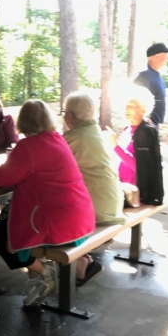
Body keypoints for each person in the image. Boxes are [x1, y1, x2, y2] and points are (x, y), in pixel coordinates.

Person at [0, 100, 95, 306]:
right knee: (10, 224)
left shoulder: (28, 146)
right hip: (80, 218)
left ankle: (44, 272)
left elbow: (2, 179)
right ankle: (39, 277)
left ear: (23, 121)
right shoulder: (57, 139)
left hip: (58, 224)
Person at [63, 92, 126, 286]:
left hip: (97, 208)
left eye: (64, 112)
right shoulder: (96, 132)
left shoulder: (75, 136)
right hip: (111, 202)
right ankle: (83, 261)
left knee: (47, 214)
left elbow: (47, 161)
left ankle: (80, 262)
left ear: (70, 115)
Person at [108, 86, 164, 206]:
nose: (127, 109)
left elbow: (139, 166)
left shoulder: (146, 132)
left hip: (136, 193)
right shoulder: (127, 129)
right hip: (121, 185)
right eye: (126, 106)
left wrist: (116, 146)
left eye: (132, 106)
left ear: (143, 109)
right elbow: (121, 158)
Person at [134, 43, 168, 128]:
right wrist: (144, 119)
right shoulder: (143, 75)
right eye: (165, 54)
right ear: (156, 56)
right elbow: (133, 100)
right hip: (143, 126)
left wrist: (157, 121)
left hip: (153, 124)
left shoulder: (156, 75)